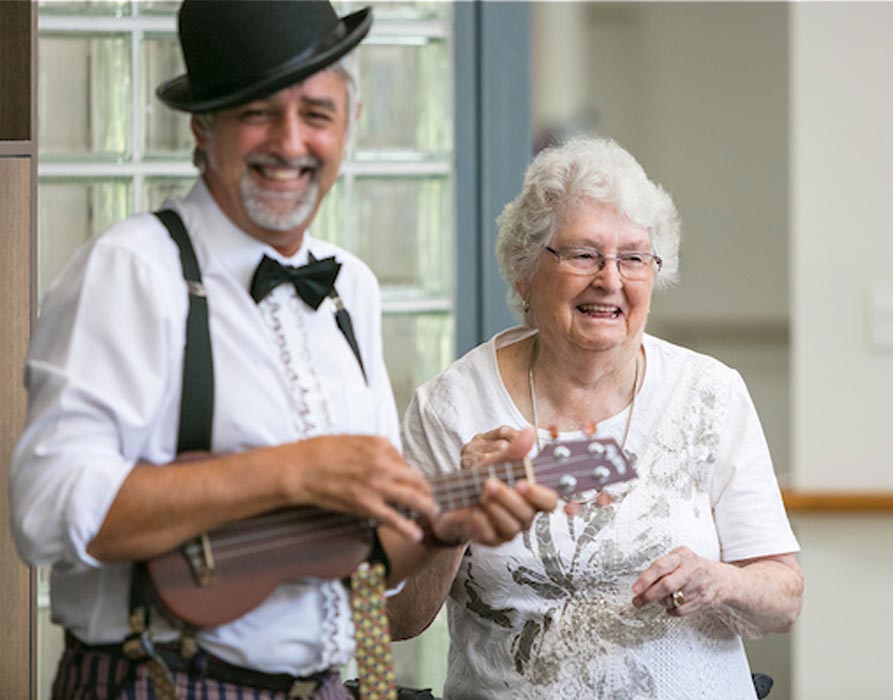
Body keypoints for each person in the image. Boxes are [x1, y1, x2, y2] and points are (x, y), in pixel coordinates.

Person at [8, 2, 555, 698]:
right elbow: (45, 511)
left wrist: (449, 527)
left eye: (317, 114)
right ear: (204, 128)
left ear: (348, 127)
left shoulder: (350, 286)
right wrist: (287, 472)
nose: (290, 142)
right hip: (160, 682)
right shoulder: (132, 270)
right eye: (257, 113)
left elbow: (358, 553)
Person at [390, 137, 804, 699]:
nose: (610, 279)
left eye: (633, 257)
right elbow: (398, 620)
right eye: (584, 254)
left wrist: (719, 581)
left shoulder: (710, 392)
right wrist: (453, 518)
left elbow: (783, 597)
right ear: (524, 274)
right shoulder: (453, 405)